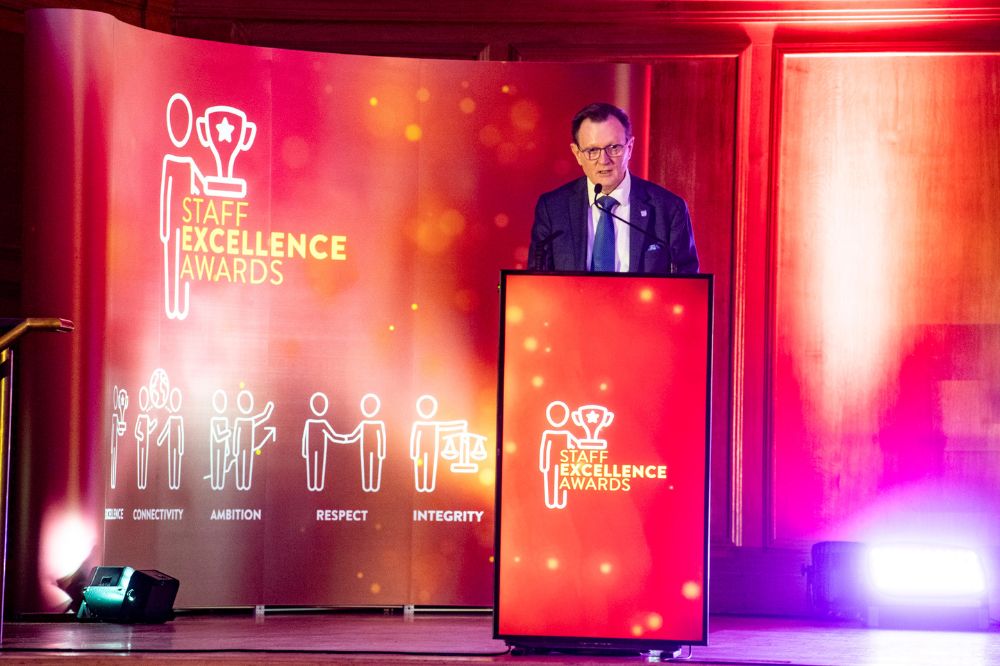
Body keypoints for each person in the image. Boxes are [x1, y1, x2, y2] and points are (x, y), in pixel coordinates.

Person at [528, 102, 699, 274]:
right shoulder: (553, 209)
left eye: (613, 148)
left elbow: (687, 284)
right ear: (577, 154)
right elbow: (537, 283)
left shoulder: (669, 209)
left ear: (629, 148)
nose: (603, 160)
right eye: (592, 150)